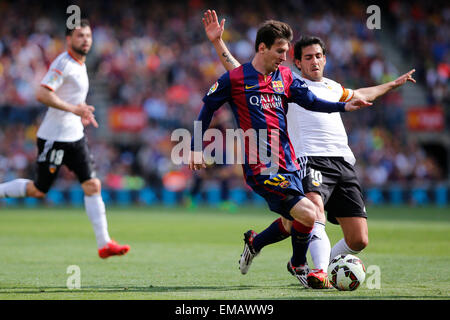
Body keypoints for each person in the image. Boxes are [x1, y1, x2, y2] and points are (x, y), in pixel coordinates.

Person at [202, 9, 416, 288]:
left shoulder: (331, 86)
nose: (314, 61)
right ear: (298, 63)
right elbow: (241, 74)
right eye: (306, 57)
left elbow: (360, 95)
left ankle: (258, 243)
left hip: (337, 162)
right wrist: (218, 43)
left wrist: (392, 85)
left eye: (318, 56)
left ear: (325, 59)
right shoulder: (285, 78)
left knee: (327, 230)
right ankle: (308, 268)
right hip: (301, 160)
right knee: (310, 213)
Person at [0, 19, 130, 259]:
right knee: (40, 190)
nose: (86, 40)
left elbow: (70, 100)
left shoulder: (80, 64)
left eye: (89, 36)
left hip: (75, 136)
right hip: (54, 137)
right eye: (80, 36)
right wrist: (74, 110)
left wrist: (81, 112)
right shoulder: (64, 63)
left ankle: (104, 244)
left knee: (93, 185)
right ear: (69, 39)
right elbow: (42, 93)